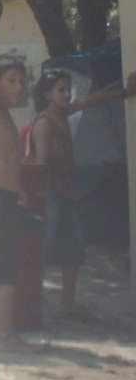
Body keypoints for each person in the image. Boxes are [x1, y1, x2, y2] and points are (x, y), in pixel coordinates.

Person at [28, 67, 136, 317]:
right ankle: (32, 297)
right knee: (43, 248)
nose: (67, 95)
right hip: (52, 196)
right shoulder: (45, 124)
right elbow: (40, 167)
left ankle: (67, 303)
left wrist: (122, 92)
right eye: (61, 90)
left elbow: (91, 100)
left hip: (65, 195)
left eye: (68, 90)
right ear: (47, 95)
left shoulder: (63, 113)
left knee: (73, 250)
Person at [0, 56, 41, 353]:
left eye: (21, 81)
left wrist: (20, 191)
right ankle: (6, 337)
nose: (19, 87)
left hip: (1, 198)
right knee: (4, 272)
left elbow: (8, 160)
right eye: (11, 81)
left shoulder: (3, 115)